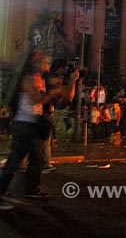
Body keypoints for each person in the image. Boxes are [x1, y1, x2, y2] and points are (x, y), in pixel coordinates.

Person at [0, 51, 61, 210]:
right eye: (43, 60)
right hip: (24, 124)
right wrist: (52, 92)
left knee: (38, 157)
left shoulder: (40, 79)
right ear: (34, 63)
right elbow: (36, 100)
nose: (46, 62)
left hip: (33, 123)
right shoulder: (27, 79)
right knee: (15, 160)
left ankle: (31, 189)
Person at [42, 59, 79, 173]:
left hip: (45, 112)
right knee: (43, 139)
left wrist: (72, 81)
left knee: (43, 139)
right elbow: (68, 97)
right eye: (63, 70)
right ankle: (45, 164)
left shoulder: (53, 79)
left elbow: (67, 97)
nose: (64, 74)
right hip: (42, 112)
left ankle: (35, 163)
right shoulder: (50, 77)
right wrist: (72, 81)